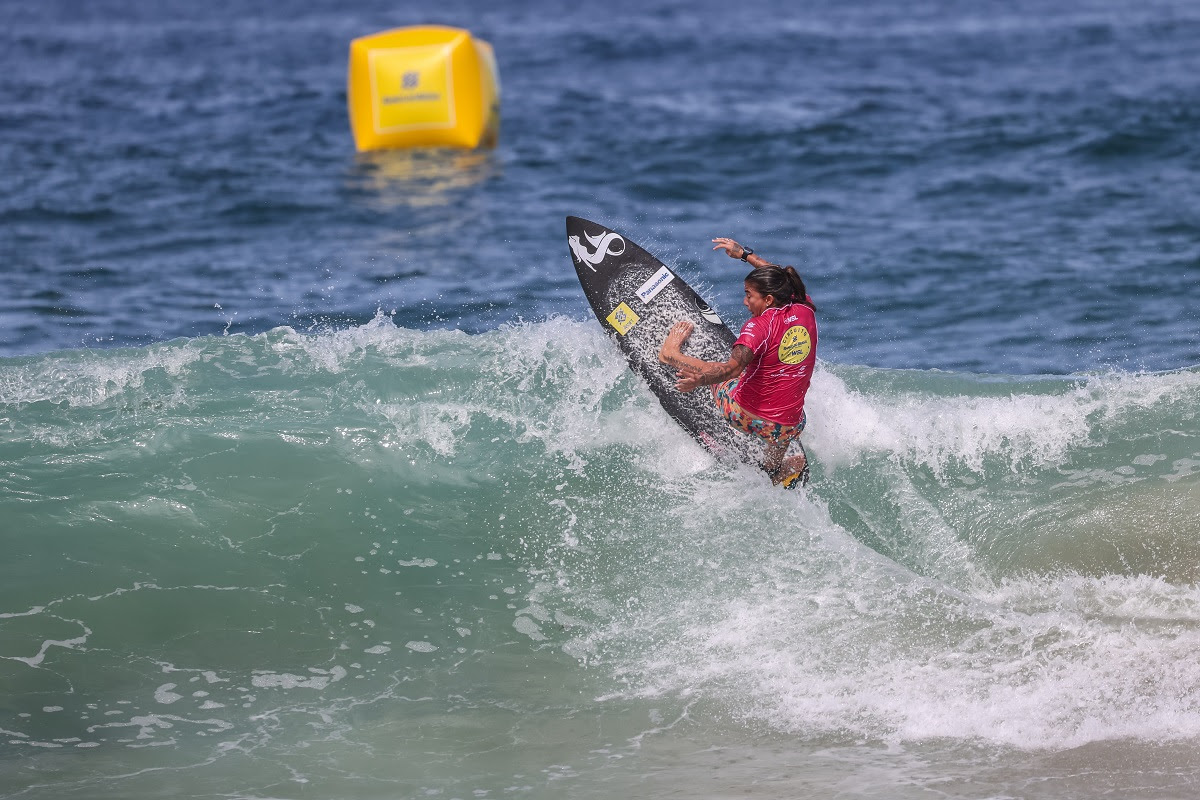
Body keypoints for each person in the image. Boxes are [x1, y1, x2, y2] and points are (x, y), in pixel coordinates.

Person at [658, 237, 817, 488]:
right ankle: (773, 466)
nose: (745, 302)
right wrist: (745, 255)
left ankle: (669, 354)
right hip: (792, 425)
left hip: (745, 417)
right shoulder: (803, 306)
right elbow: (781, 280)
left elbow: (729, 370)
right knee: (783, 405)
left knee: (718, 369)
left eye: (749, 295)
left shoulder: (758, 327)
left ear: (768, 300)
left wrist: (702, 379)